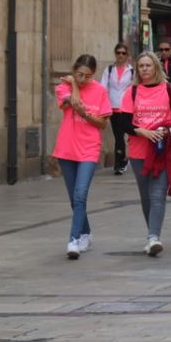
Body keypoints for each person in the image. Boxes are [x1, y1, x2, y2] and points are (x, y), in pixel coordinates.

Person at [117, 51, 171, 255]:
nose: (144, 69)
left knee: (157, 194)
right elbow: (124, 123)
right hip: (139, 151)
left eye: (148, 65)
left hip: (162, 151)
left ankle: (154, 237)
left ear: (156, 67)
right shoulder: (131, 92)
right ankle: (152, 234)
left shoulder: (170, 90)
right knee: (145, 196)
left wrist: (167, 129)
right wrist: (142, 131)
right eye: (141, 66)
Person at [52, 54, 111, 258]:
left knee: (80, 195)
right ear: (73, 71)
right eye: (79, 75)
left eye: (87, 76)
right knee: (74, 199)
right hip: (67, 148)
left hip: (89, 149)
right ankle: (85, 232)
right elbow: (74, 103)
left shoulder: (100, 91)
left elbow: (103, 123)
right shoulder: (63, 88)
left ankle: (73, 239)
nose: (83, 79)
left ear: (93, 75)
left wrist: (87, 115)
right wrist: (74, 85)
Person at [101, 44, 135, 174]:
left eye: (123, 53)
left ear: (127, 55)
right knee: (118, 136)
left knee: (126, 135)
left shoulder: (131, 71)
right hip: (113, 107)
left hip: (127, 108)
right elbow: (103, 87)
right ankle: (119, 163)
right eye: (118, 53)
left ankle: (123, 161)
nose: (120, 55)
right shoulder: (109, 70)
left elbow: (134, 88)